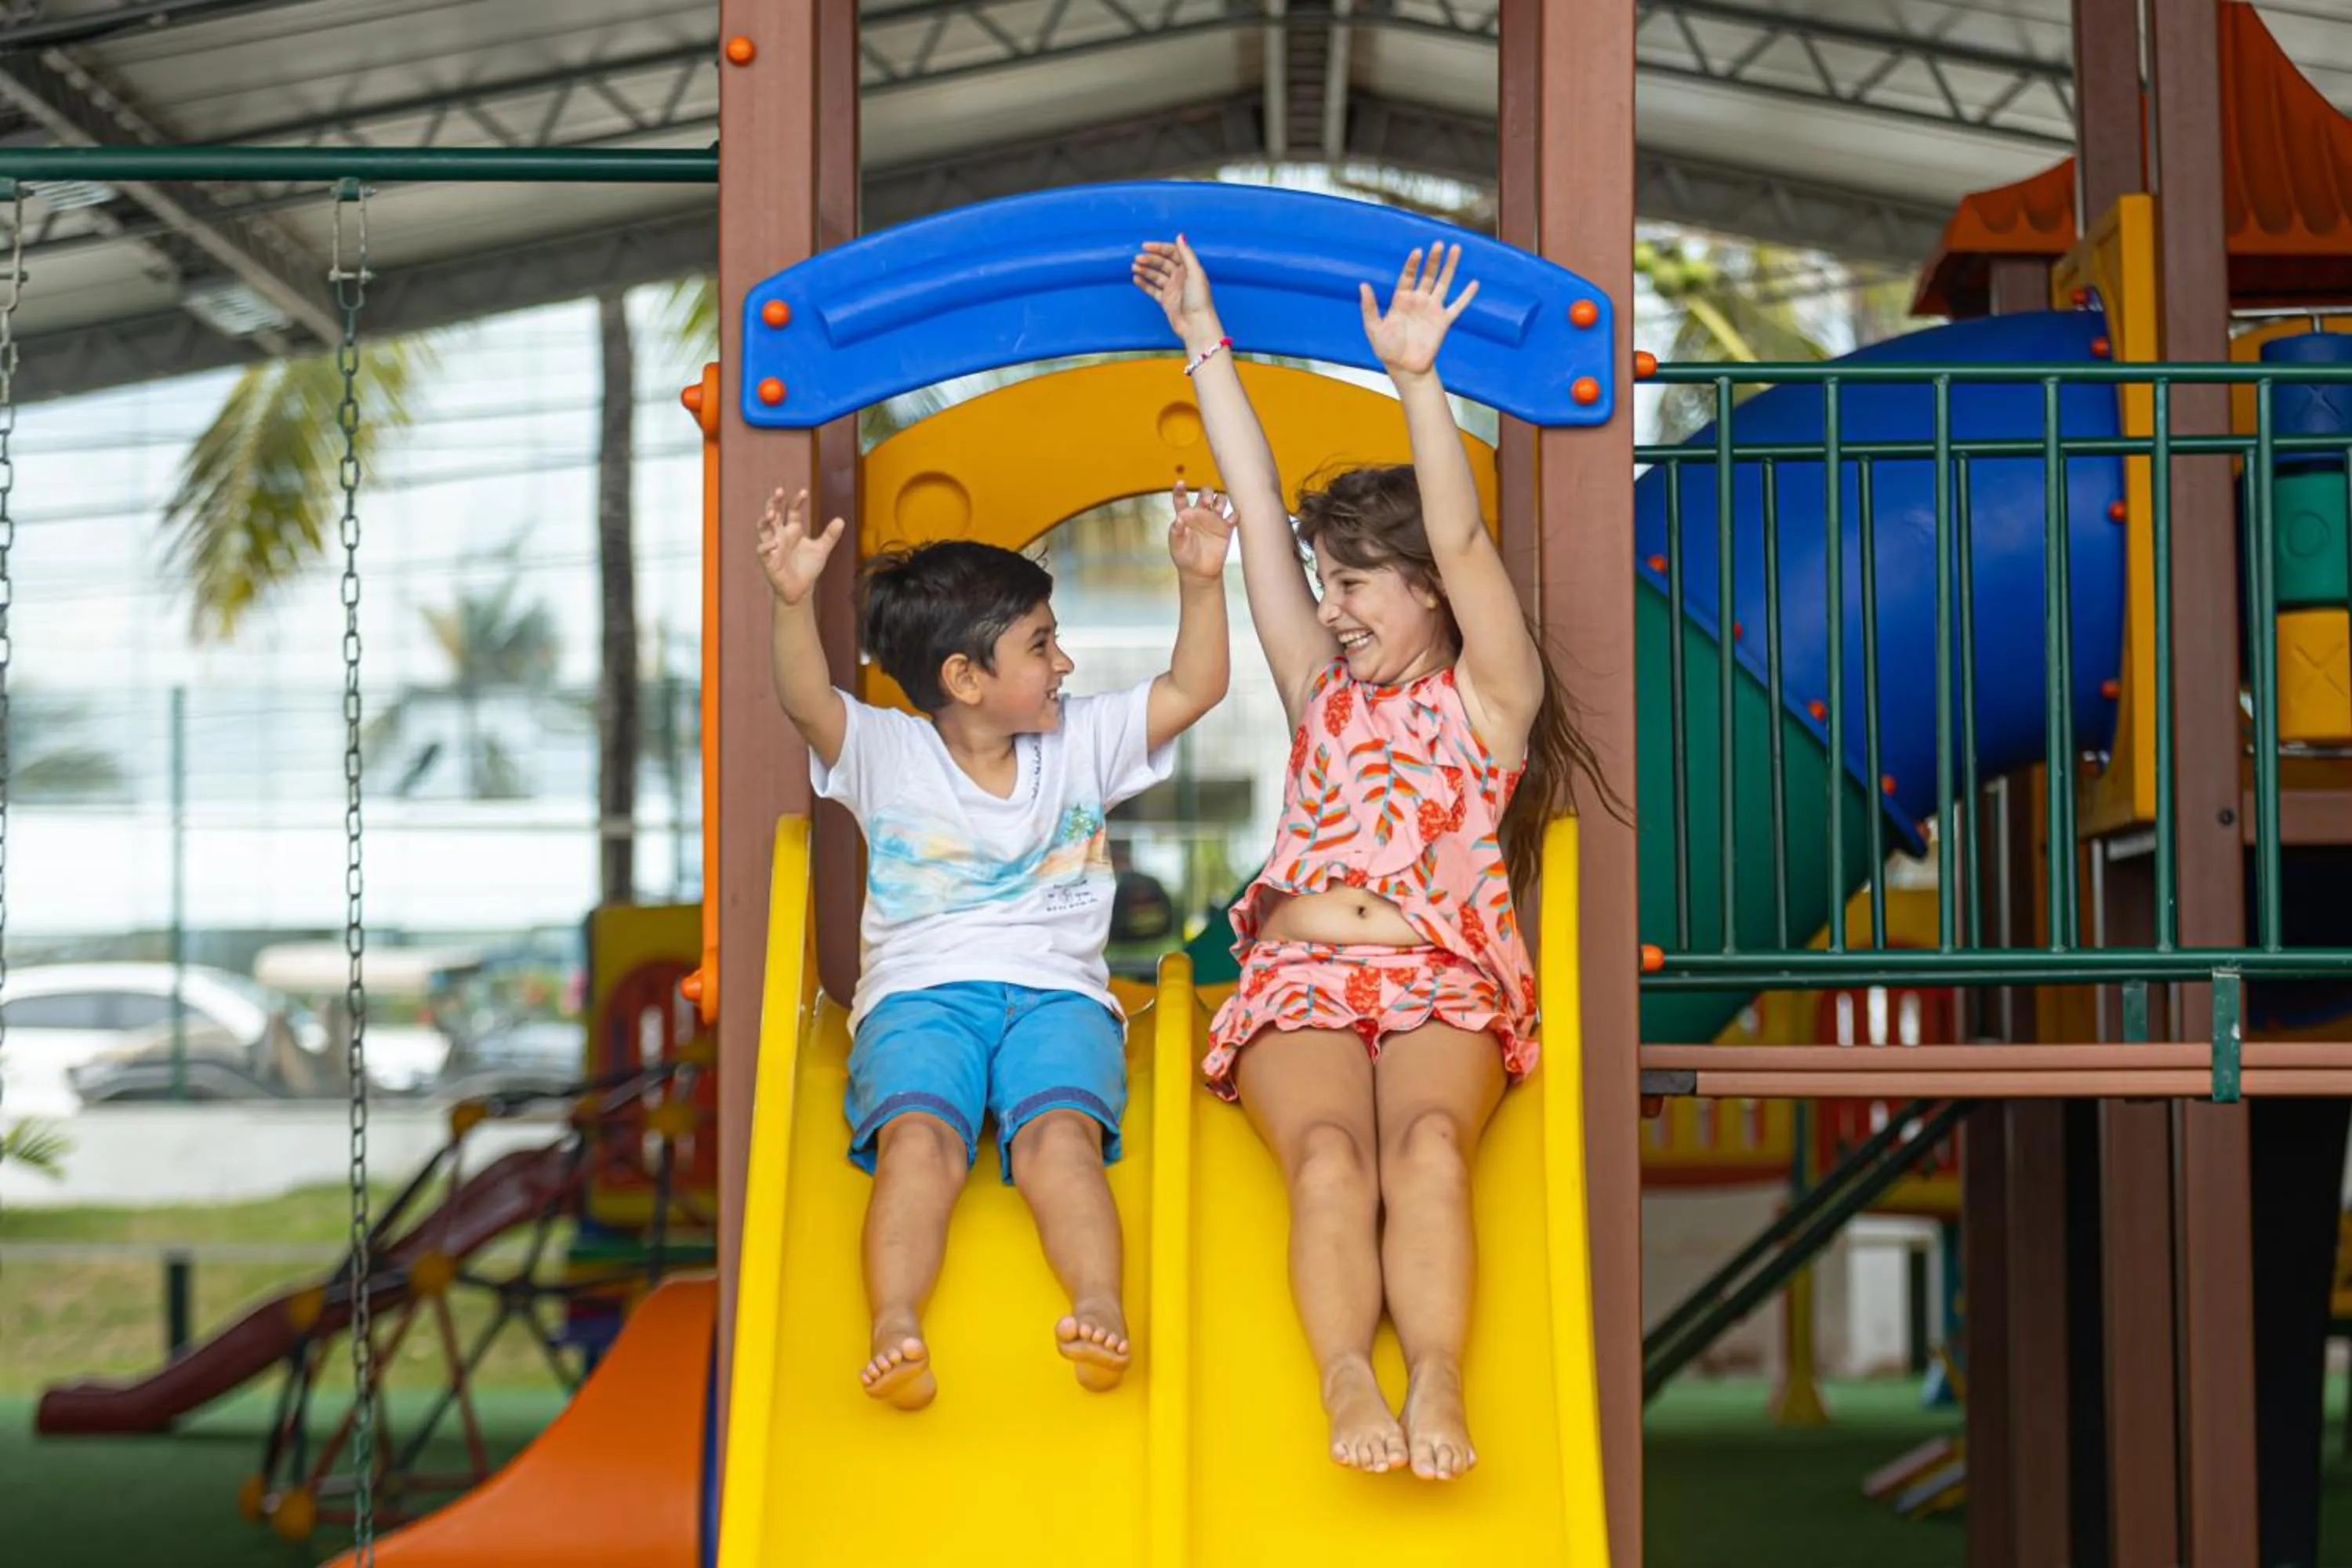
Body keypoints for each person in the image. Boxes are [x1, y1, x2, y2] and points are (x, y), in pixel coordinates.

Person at [1131, 234, 1619, 1479]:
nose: (1334, 605)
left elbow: (1463, 544)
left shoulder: (1489, 698)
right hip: (1297, 981)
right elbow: (1253, 509)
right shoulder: (1319, 691)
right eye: (1327, 582)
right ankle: (1349, 1370)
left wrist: (1415, 380)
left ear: (1425, 595)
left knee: (1428, 1153)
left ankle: (1440, 1380)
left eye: (1357, 583)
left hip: (1442, 979)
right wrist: (1203, 334)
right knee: (1332, 1159)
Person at [757, 482, 1233, 1410]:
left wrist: (1202, 581)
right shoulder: (889, 751)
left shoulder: (1081, 740)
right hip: (919, 999)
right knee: (920, 1140)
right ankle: (895, 1319)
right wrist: (789, 601)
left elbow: (1195, 687)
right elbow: (806, 696)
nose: (1065, 661)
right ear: (965, 677)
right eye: (1041, 644)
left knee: (1062, 1140)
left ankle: (1099, 1306)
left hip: (1058, 999)